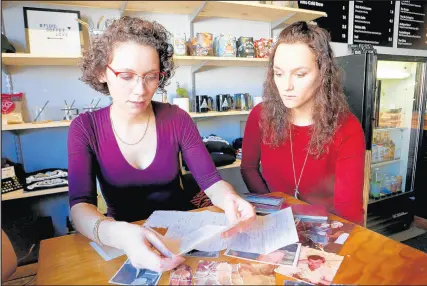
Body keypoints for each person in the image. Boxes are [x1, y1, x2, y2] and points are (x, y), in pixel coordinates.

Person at [68, 16, 255, 273]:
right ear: (102, 72)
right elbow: (79, 206)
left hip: (181, 233)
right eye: (126, 76)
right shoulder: (84, 128)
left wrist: (231, 199)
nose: (140, 90)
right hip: (123, 235)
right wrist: (117, 234)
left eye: (151, 76)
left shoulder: (176, 118)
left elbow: (211, 182)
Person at [241, 21, 365, 225]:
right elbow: (249, 169)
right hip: (275, 222)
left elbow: (349, 210)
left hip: (326, 228)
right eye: (278, 73)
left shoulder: (347, 127)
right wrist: (274, 211)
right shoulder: (260, 116)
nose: (286, 86)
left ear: (323, 74)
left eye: (299, 74)